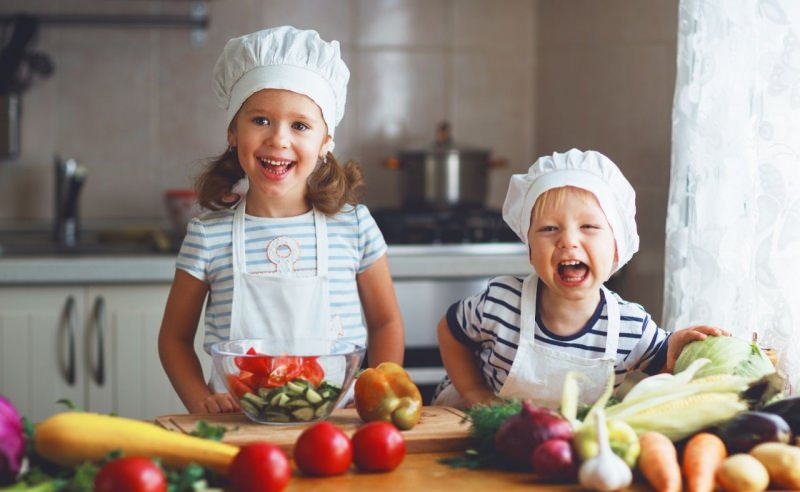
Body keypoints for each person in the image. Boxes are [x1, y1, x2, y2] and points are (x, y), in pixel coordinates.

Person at [158, 26, 404, 414]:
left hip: (337, 426)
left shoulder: (354, 227)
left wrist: (378, 392)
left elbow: (386, 322)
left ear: (325, 143)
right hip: (239, 428)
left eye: (300, 125)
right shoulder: (208, 235)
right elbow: (173, 338)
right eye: (260, 120)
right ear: (233, 133)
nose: (278, 139)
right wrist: (200, 400)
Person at [432, 149, 726, 409]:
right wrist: (474, 392)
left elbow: (666, 363)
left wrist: (682, 348)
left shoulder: (630, 327)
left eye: (588, 226)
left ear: (616, 248)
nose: (568, 241)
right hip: (476, 432)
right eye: (548, 229)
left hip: (560, 451)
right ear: (530, 249)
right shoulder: (501, 302)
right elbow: (451, 330)